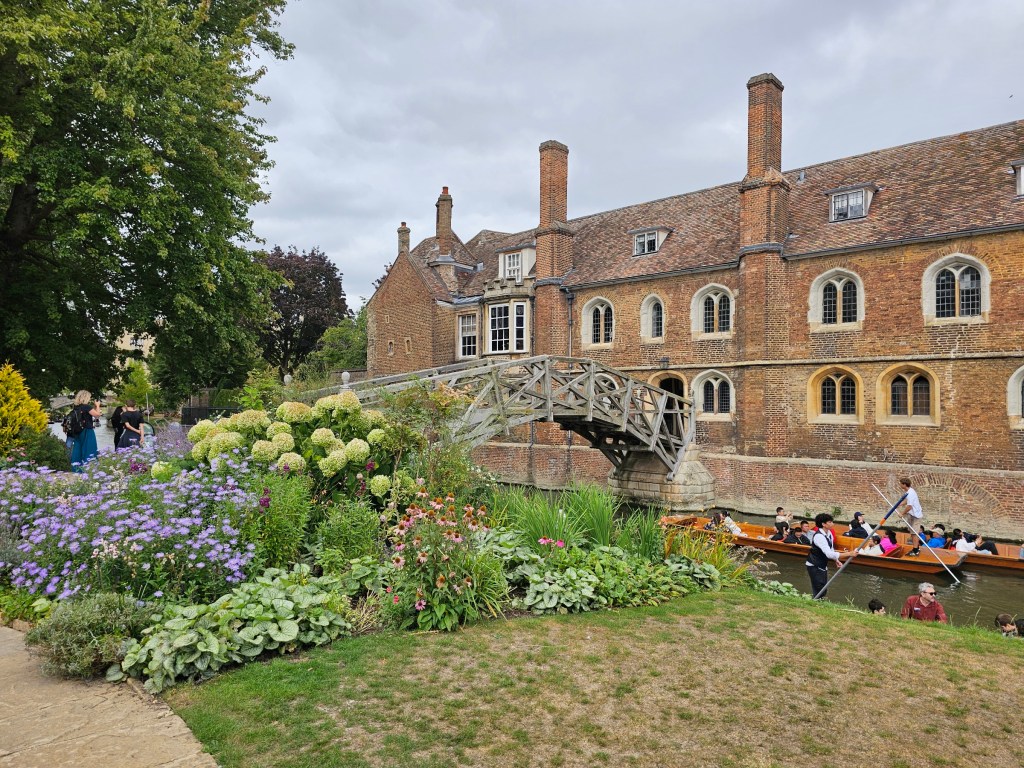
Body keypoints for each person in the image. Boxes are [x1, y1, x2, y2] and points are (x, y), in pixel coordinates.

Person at [805, 512, 851, 599]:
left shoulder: (829, 533)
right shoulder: (819, 536)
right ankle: (816, 603)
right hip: (814, 565)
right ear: (823, 524)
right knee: (819, 588)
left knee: (823, 587)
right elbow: (829, 554)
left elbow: (831, 549)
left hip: (822, 564)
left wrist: (836, 560)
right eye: (829, 522)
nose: (832, 524)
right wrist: (849, 554)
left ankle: (819, 601)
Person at [67, 390, 102, 472]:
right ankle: (90, 469)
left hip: (76, 431)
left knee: (77, 449)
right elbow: (97, 415)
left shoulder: (76, 407)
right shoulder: (86, 407)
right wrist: (97, 406)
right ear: (86, 397)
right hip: (87, 430)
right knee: (90, 449)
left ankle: (76, 469)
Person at [897, 478, 924, 556]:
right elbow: (907, 501)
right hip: (911, 515)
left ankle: (915, 550)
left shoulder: (911, 493)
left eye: (901, 484)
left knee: (914, 533)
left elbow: (909, 506)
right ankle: (917, 547)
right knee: (912, 533)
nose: (900, 485)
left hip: (916, 516)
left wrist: (902, 513)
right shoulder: (909, 491)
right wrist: (900, 504)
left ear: (904, 485)